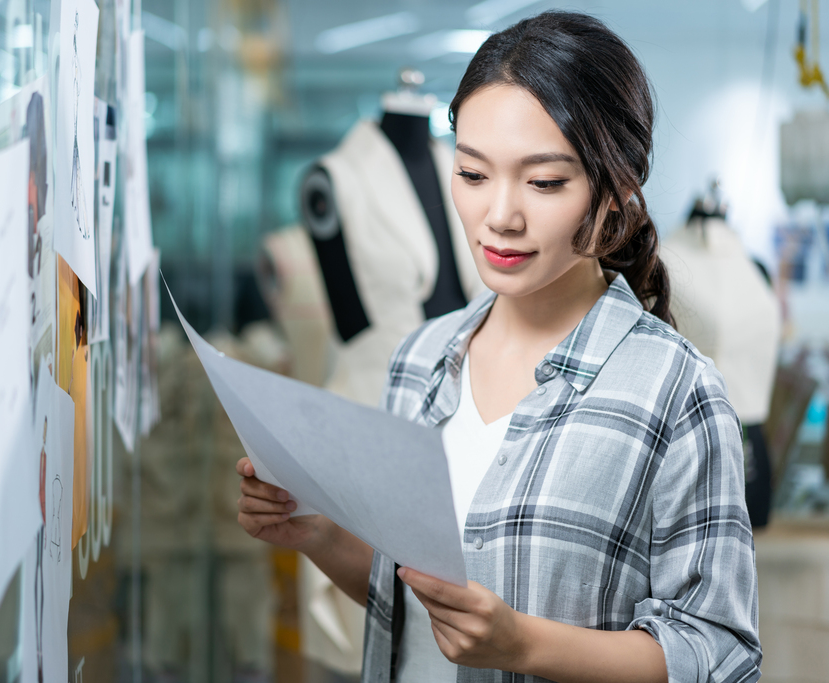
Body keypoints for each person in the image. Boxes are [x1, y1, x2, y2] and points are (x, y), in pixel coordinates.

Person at [236, 11, 760, 683]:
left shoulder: (675, 390)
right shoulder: (419, 360)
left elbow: (719, 651)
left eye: (543, 182)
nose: (500, 216)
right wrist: (316, 533)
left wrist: (523, 644)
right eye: (474, 174)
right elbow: (410, 605)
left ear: (618, 189)